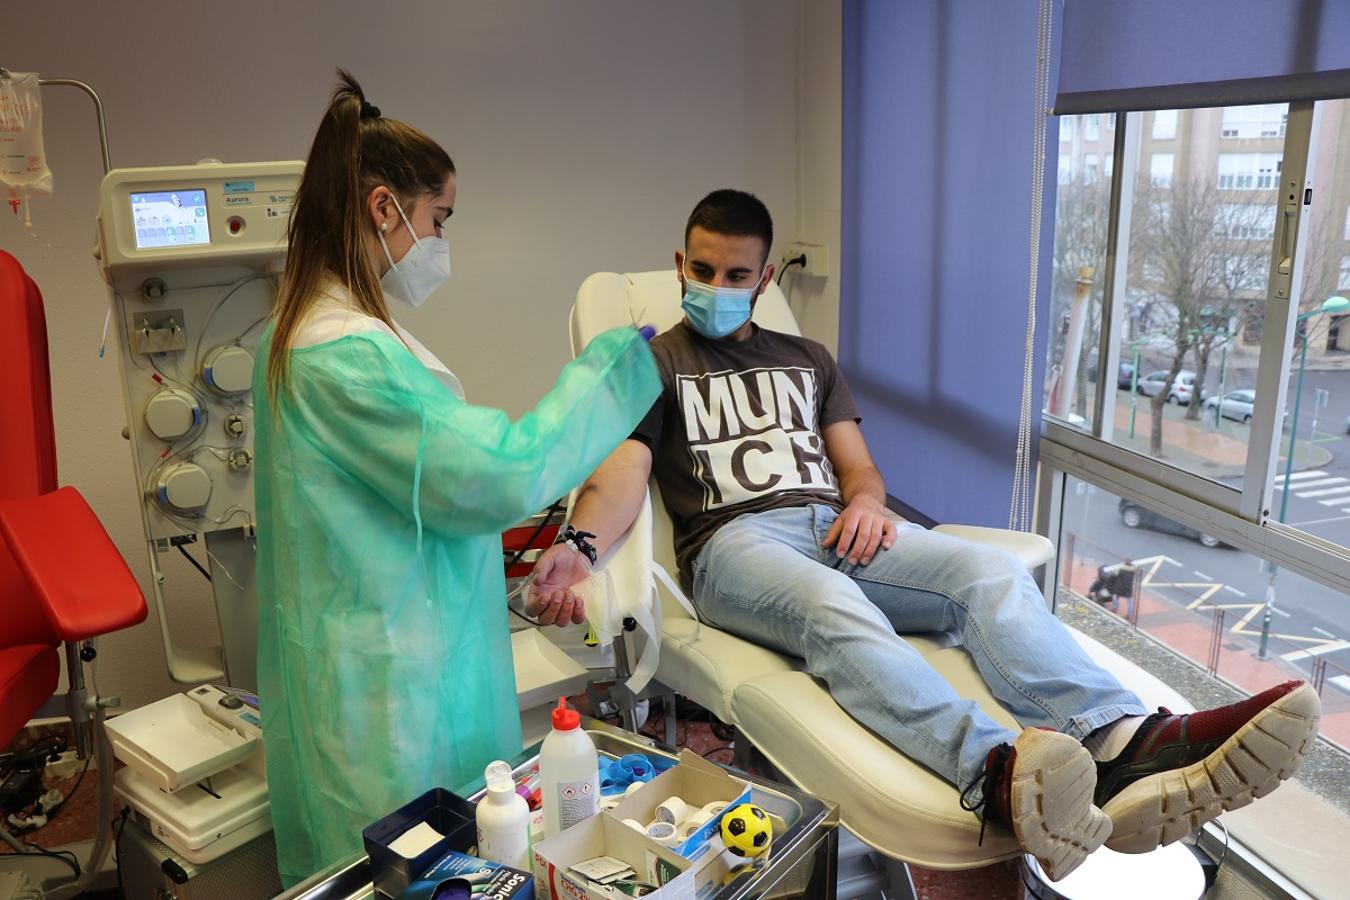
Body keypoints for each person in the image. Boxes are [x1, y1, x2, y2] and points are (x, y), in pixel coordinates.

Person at [527, 189, 1322, 881]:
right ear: (679, 264)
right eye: (703, 271)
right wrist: (581, 549)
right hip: (736, 549)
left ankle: (1123, 742)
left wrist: (869, 504)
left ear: (764, 279)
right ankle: (996, 772)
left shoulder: (809, 357)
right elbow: (621, 475)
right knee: (831, 607)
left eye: (738, 276)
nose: (719, 289)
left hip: (834, 523)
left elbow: (858, 469)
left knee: (988, 577)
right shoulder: (654, 364)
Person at [252, 71, 661, 885]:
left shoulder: (317, 331)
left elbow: (412, 496)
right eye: (439, 219)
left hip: (385, 641)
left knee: (437, 857)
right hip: (389, 680)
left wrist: (563, 549)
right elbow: (490, 473)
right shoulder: (345, 354)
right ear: (383, 208)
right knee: (407, 861)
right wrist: (611, 370)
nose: (442, 243)